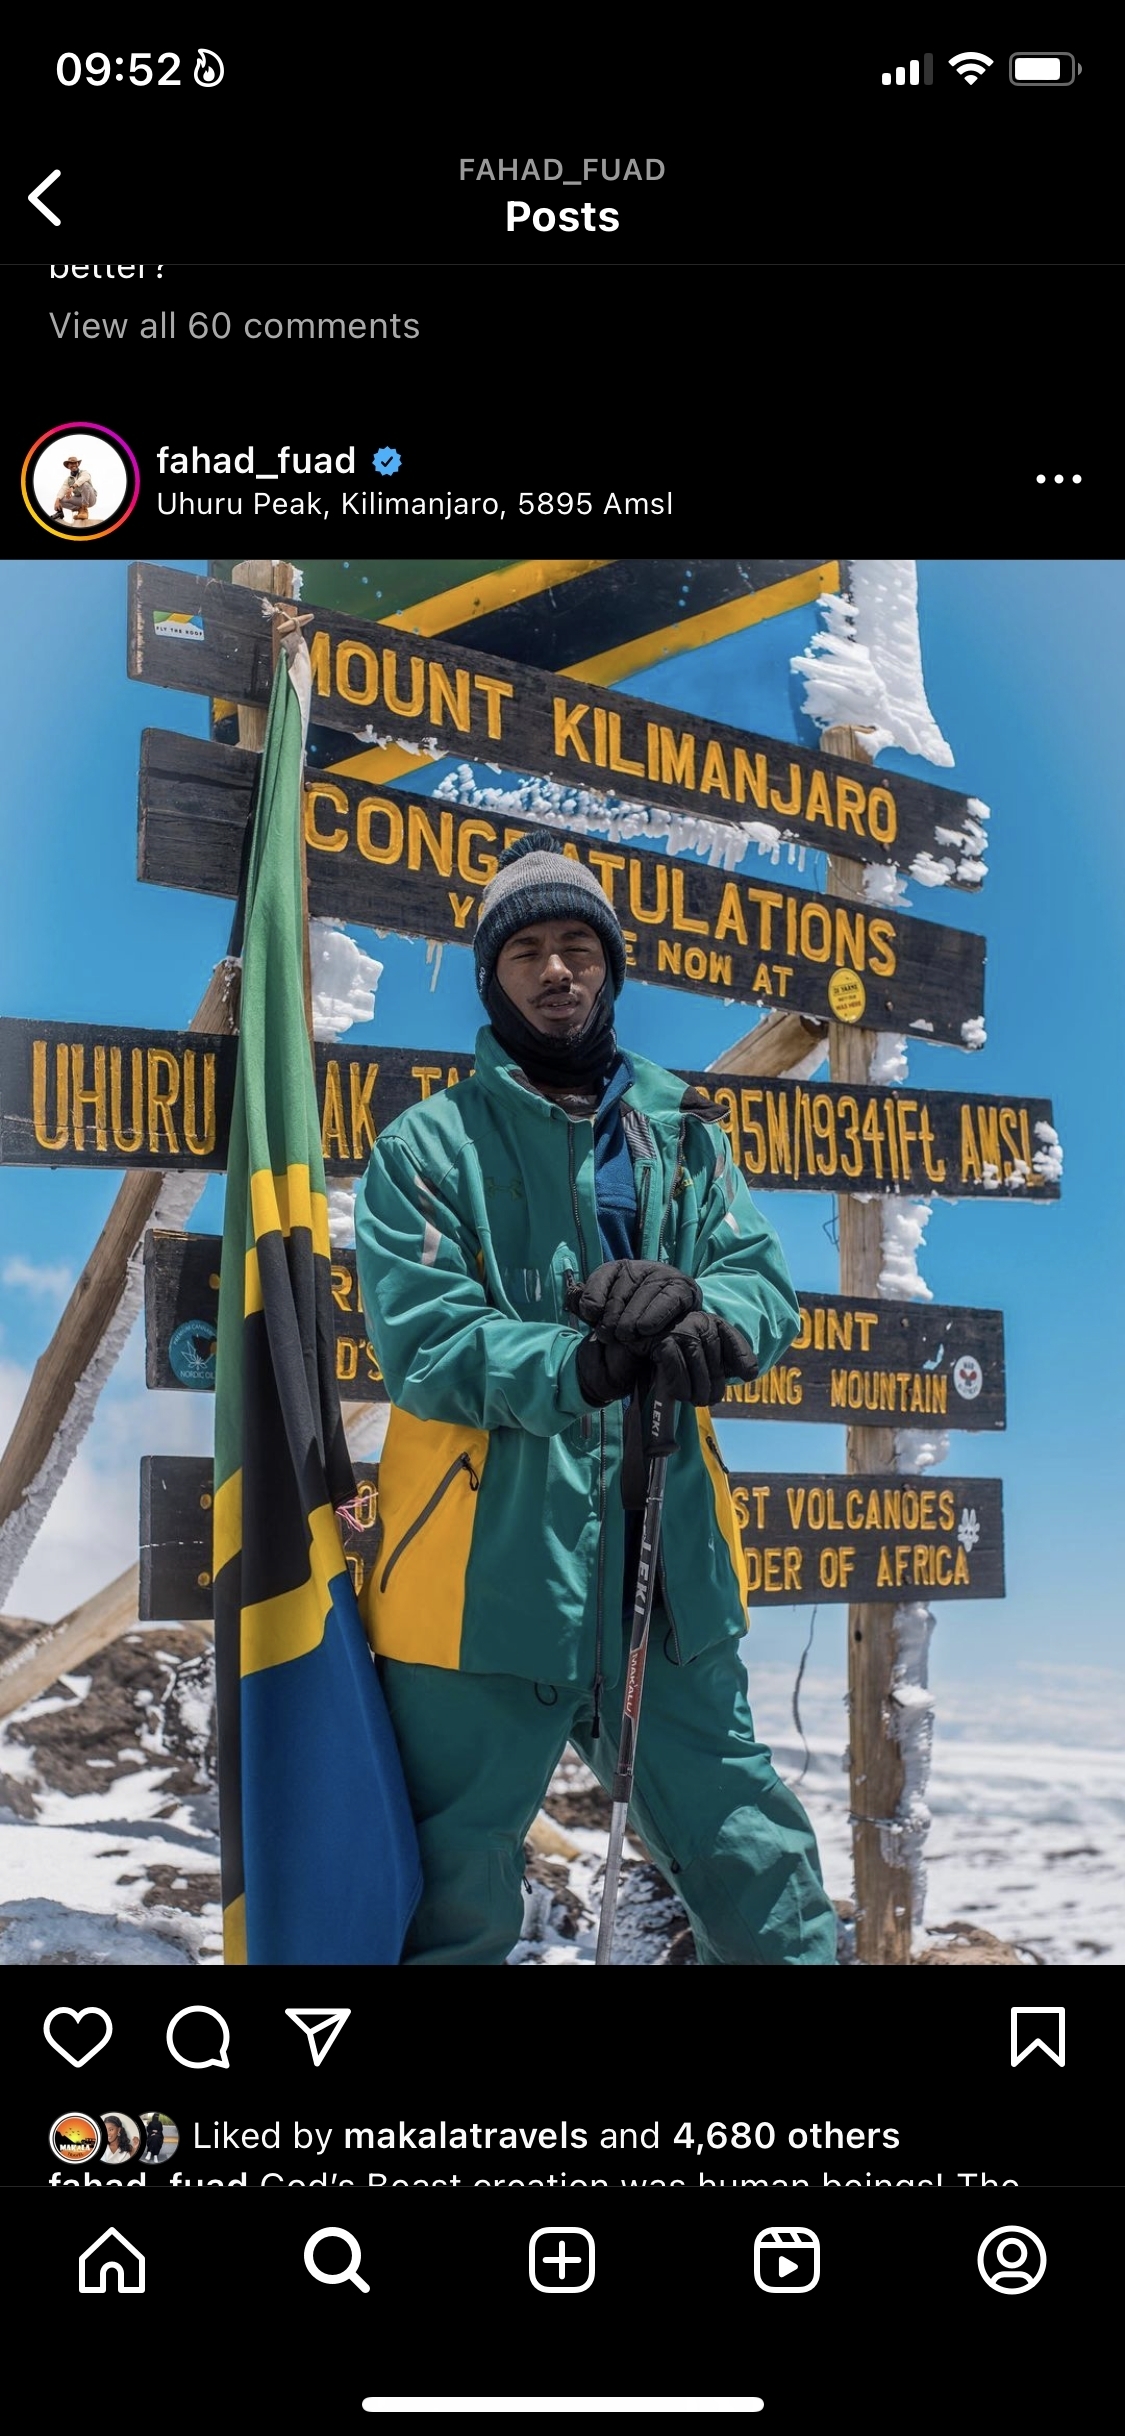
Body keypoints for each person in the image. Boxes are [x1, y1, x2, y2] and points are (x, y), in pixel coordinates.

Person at [355, 829, 837, 1966]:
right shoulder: (429, 1147)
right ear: (493, 978)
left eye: (580, 945)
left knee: (749, 1855)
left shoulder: (680, 1136)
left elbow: (758, 1279)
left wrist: (707, 1325)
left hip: (664, 1565)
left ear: (613, 967)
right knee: (449, 1886)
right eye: (527, 952)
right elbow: (425, 1342)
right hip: (475, 1577)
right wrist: (582, 1365)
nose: (557, 969)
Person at [52, 454, 98, 524]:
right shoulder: (68, 479)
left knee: (85, 484)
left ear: (78, 464)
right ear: (68, 466)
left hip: (91, 499)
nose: (73, 465)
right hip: (80, 500)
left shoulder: (84, 472)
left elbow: (83, 479)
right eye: (71, 463)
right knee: (61, 500)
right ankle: (80, 510)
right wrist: (57, 500)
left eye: (75, 463)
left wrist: (72, 487)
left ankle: (85, 510)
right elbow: (63, 489)